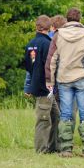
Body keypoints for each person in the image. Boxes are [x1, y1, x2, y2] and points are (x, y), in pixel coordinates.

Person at [45, 7, 84, 158]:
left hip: (64, 79)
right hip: (82, 77)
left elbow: (51, 60)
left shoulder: (58, 35)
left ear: (67, 19)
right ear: (80, 19)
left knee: (66, 114)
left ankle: (66, 149)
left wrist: (49, 80)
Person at [24, 15, 60, 153]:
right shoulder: (48, 44)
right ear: (50, 27)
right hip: (45, 87)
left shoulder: (30, 44)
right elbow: (51, 65)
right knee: (43, 119)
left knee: (56, 116)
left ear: (36, 27)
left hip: (39, 86)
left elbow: (28, 66)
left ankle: (53, 146)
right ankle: (41, 150)